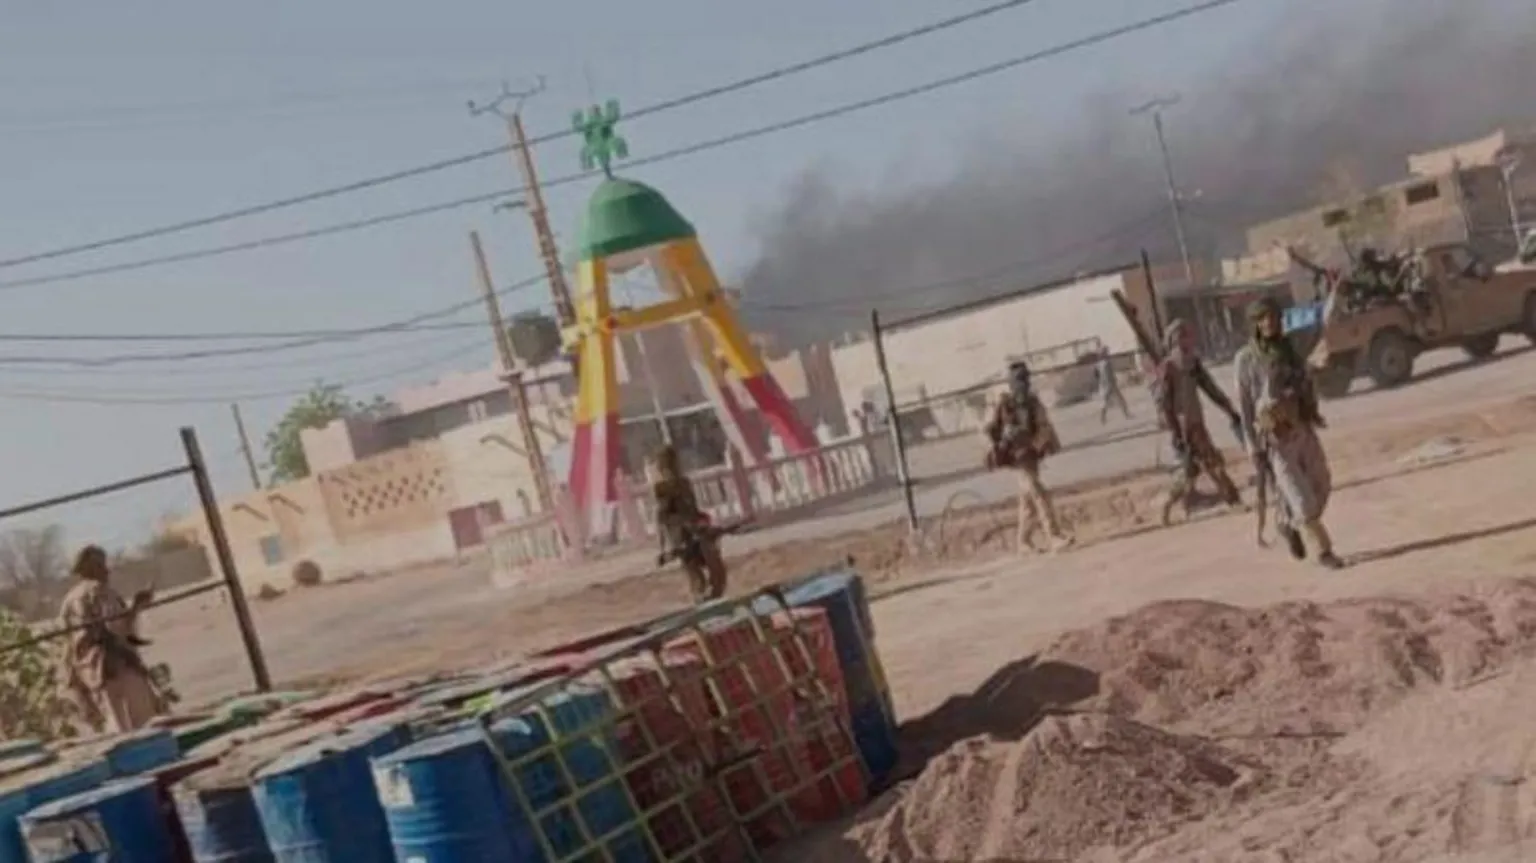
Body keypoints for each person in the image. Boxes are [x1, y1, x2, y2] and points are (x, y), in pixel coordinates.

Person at [1234, 298, 1344, 569]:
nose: (1269, 323)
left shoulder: (1293, 346)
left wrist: (1335, 296)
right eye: (1263, 318)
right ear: (1255, 324)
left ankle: (1288, 522)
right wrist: (1253, 448)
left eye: (1273, 317)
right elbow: (1245, 407)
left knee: (1322, 485)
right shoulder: (1246, 359)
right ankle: (1323, 552)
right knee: (1302, 499)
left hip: (1303, 430)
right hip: (1276, 441)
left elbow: (1321, 325)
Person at [57, 545, 165, 733]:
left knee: (118, 727)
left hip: (92, 673)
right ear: (92, 568)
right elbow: (117, 629)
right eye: (101, 565)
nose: (107, 570)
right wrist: (137, 606)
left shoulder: (69, 600)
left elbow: (68, 641)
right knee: (144, 727)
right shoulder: (101, 591)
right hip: (117, 666)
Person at [1157, 319, 1244, 525]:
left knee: (1195, 470)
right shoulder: (1169, 367)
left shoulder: (1193, 363)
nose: (1188, 340)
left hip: (1195, 423)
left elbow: (1210, 388)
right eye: (1183, 336)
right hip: (1186, 428)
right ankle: (1233, 500)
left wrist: (1229, 409)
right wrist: (1175, 432)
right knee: (1208, 464)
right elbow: (1165, 404)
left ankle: (1168, 504)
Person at [983, 361, 1075, 553]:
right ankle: (1054, 536)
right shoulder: (1004, 405)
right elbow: (988, 429)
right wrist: (1001, 439)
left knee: (1028, 501)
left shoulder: (1033, 403)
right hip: (1017, 459)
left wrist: (1037, 443)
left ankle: (1023, 542)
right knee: (1040, 494)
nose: (1023, 384)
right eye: (1019, 380)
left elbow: (1044, 425)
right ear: (1011, 383)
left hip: (1031, 457)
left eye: (1025, 379)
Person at [651, 445, 728, 602]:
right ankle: (700, 595)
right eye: (669, 463)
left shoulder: (685, 483)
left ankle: (714, 594)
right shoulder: (661, 489)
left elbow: (693, 509)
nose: (674, 467)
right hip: (680, 535)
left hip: (697, 530)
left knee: (715, 565)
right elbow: (662, 518)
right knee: (695, 573)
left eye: (674, 463)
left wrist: (704, 520)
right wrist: (663, 547)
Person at [1095, 348, 1131, 424]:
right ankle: (1126, 414)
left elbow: (1097, 376)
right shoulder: (1107, 363)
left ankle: (1103, 418)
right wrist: (1113, 382)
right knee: (1120, 400)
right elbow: (1109, 374)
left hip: (1103, 385)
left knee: (1105, 402)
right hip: (1110, 384)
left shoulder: (1098, 365)